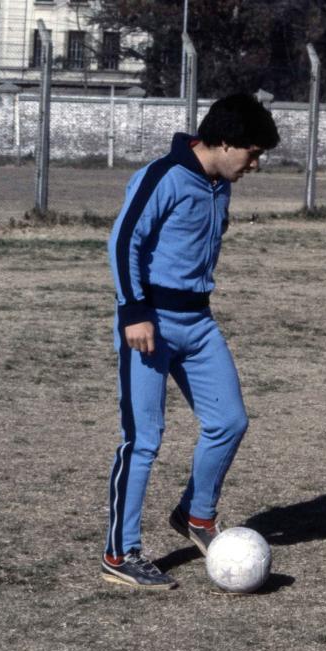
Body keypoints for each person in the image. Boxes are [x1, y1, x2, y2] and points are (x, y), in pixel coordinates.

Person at [103, 93, 281, 588]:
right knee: (144, 439)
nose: (256, 164)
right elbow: (123, 241)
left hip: (198, 323)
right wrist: (134, 312)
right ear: (224, 143)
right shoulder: (163, 175)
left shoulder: (219, 182)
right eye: (252, 153)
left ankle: (196, 516)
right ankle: (120, 554)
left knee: (229, 421)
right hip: (150, 324)